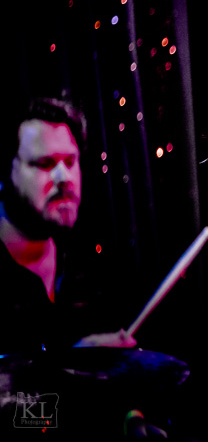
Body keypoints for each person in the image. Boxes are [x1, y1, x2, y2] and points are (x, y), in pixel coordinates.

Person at [0, 96, 135, 352]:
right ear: (5, 172)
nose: (64, 177)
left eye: (70, 162)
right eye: (45, 163)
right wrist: (68, 366)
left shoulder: (86, 270)